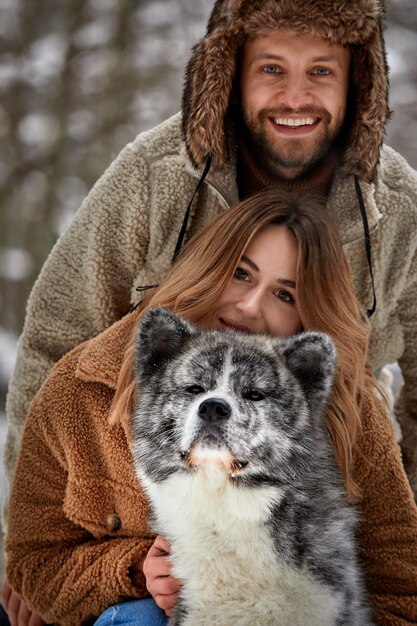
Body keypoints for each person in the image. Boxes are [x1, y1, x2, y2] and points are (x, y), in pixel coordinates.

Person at [4, 190, 417, 626]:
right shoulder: (84, 385)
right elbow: (33, 560)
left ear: (307, 313)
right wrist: (135, 569)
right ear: (208, 265)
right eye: (241, 274)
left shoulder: (344, 407)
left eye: (285, 295)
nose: (251, 306)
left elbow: (401, 585)